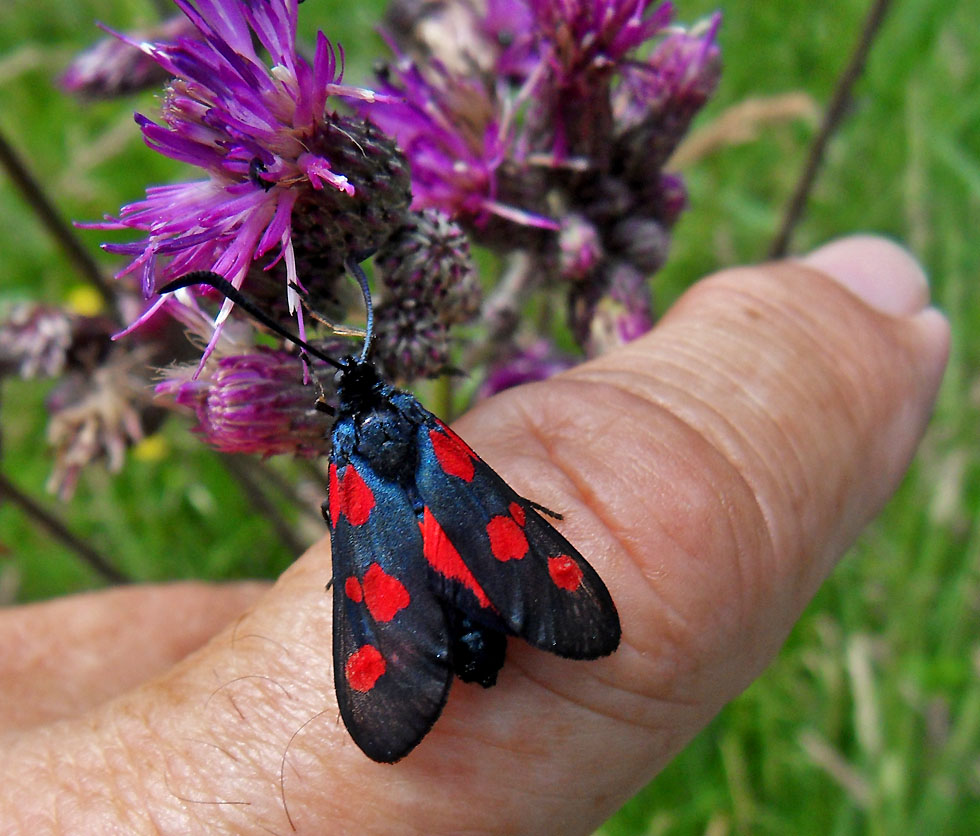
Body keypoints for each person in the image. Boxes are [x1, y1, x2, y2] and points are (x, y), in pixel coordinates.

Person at [0, 236, 949, 833]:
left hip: (395, 626)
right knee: (510, 553)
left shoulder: (344, 454)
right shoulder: (415, 420)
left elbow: (354, 528)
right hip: (494, 561)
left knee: (376, 567)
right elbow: (469, 497)